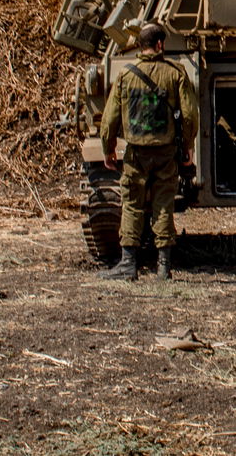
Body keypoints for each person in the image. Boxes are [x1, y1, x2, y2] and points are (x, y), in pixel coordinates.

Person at [98, 22, 198, 280]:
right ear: (160, 44)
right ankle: (163, 267)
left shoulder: (125, 74)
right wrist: (188, 145)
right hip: (166, 153)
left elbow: (109, 118)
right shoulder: (176, 72)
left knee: (132, 204)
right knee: (163, 205)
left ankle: (128, 264)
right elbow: (189, 115)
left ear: (139, 45)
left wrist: (108, 148)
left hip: (136, 154)